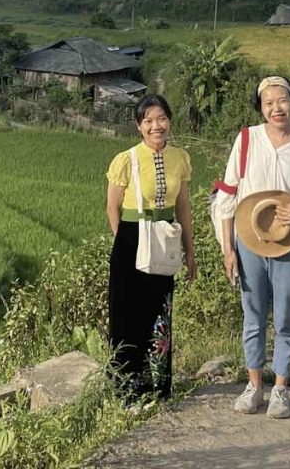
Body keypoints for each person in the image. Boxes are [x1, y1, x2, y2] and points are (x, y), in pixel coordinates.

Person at [214, 75, 290, 419]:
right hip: (248, 242)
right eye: (268, 103)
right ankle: (254, 385)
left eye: (283, 100)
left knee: (286, 316)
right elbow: (227, 195)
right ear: (260, 108)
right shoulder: (247, 139)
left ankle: (280, 388)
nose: (277, 108)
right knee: (253, 314)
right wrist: (227, 247)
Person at [105, 94, 197, 404]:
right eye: (148, 121)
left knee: (159, 314)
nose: (156, 126)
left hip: (165, 239)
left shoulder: (179, 158)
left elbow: (183, 207)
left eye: (161, 119)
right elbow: (112, 208)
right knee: (126, 316)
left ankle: (157, 386)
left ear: (169, 121)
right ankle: (126, 388)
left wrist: (189, 251)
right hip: (131, 241)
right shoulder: (126, 159)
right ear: (138, 126)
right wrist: (128, 244)